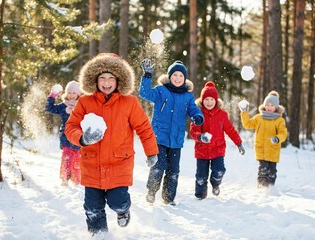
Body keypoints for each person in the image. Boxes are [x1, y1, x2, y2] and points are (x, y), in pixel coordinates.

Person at [64, 53, 159, 236]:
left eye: (111, 78)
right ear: (94, 80)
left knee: (118, 201)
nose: (106, 83)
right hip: (92, 163)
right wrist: (82, 138)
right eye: (102, 78)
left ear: (119, 80)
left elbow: (144, 128)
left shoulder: (129, 102)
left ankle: (123, 210)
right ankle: (99, 235)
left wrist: (151, 152)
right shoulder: (85, 101)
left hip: (119, 163)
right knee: (92, 208)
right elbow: (71, 127)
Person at [139, 59, 204, 205]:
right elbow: (144, 93)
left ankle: (169, 198)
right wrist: (147, 75)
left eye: (181, 76)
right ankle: (151, 191)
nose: (178, 78)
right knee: (158, 166)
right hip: (159, 137)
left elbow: (193, 109)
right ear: (169, 76)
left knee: (173, 171)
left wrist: (198, 116)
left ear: (185, 79)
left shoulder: (187, 96)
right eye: (175, 75)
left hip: (176, 139)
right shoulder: (161, 91)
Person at [190, 81, 245, 199]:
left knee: (219, 170)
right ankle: (200, 196)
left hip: (217, 150)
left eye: (211, 99)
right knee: (200, 177)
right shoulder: (198, 114)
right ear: (202, 100)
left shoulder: (222, 115)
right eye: (206, 99)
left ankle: (215, 184)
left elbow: (230, 130)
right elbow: (193, 131)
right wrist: (200, 136)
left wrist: (239, 143)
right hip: (202, 151)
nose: (209, 102)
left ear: (216, 101)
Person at [238, 90, 288, 188]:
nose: (269, 107)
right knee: (263, 169)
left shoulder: (279, 120)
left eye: (272, 105)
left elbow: (283, 133)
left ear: (276, 107)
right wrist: (244, 112)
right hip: (261, 149)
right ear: (264, 105)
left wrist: (277, 139)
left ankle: (270, 188)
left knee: (272, 170)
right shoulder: (259, 118)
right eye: (267, 105)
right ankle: (261, 187)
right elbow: (247, 124)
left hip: (273, 150)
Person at [46, 80, 82, 186]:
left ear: (78, 94)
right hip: (66, 136)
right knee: (67, 156)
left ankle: (76, 180)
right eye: (69, 93)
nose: (71, 95)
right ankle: (64, 179)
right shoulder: (63, 106)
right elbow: (49, 108)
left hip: (78, 136)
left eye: (74, 93)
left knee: (77, 158)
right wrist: (52, 95)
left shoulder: (82, 105)